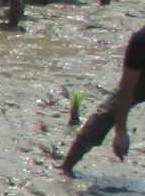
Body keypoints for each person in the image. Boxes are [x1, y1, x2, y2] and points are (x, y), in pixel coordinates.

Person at [61, 25, 145, 175]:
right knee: (103, 118)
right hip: (141, 82)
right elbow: (127, 87)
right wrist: (121, 131)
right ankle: (66, 167)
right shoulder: (141, 40)